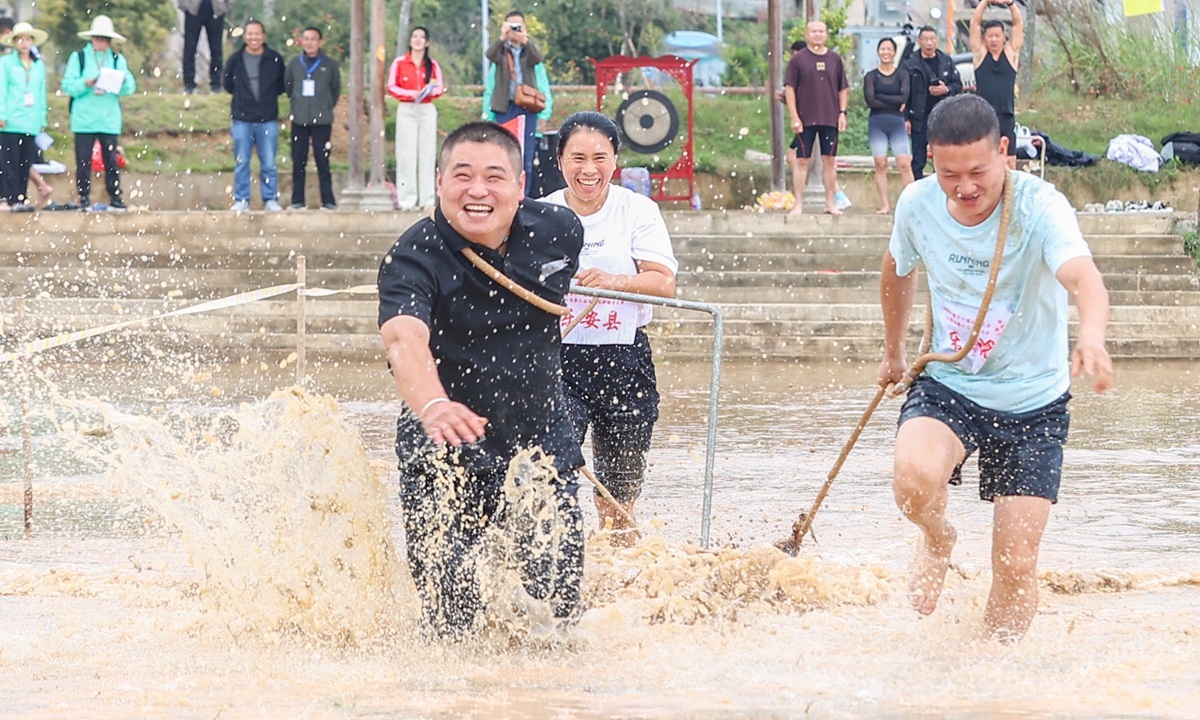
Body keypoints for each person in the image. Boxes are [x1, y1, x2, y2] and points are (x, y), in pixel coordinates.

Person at [878, 94, 1112, 643]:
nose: (965, 187)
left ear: (1004, 152)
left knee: (1013, 563)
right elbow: (896, 269)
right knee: (913, 481)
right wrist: (893, 351)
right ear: (930, 157)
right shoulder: (916, 204)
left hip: (1034, 401)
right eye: (949, 173)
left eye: (979, 171)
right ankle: (937, 537)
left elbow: (1084, 277)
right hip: (950, 384)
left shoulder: (1041, 206)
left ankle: (990, 673)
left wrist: (1093, 335)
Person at [377, 121, 585, 639]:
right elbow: (404, 338)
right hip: (444, 445)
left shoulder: (560, 230)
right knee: (450, 618)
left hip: (540, 442)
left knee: (555, 609)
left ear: (519, 186)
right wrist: (432, 405)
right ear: (440, 180)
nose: (477, 190)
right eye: (462, 175)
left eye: (494, 177)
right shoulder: (413, 255)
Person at [540, 112, 678, 544]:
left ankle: (618, 569)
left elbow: (663, 281)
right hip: (557, 359)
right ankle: (558, 573)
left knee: (616, 495)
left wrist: (616, 282)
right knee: (549, 480)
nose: (588, 169)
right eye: (577, 157)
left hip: (624, 358)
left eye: (599, 157)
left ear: (615, 160)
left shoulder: (637, 209)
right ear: (560, 160)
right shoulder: (540, 213)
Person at [61, 15, 136, 212]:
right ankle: (83, 196)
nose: (101, 43)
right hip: (84, 118)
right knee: (83, 160)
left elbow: (129, 87)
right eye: (97, 38)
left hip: (108, 118)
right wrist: (86, 83)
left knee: (111, 160)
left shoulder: (118, 59)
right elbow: (68, 85)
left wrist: (119, 82)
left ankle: (115, 195)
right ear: (91, 39)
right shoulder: (79, 57)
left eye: (104, 39)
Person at [481, 11, 553, 194]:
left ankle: (523, 198)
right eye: (511, 26)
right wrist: (502, 37)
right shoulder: (501, 52)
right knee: (502, 154)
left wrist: (525, 39)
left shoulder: (528, 52)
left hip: (528, 108)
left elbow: (539, 57)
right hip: (505, 108)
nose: (514, 30)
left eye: (518, 26)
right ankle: (503, 194)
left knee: (526, 157)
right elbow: (489, 55)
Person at [783, 21, 849, 216]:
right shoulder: (798, 60)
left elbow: (842, 89)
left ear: (826, 34)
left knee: (829, 159)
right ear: (807, 34)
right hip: (805, 118)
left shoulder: (834, 59)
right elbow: (790, 89)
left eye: (821, 31)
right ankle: (798, 204)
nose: (818, 35)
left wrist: (842, 113)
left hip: (830, 117)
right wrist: (794, 116)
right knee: (802, 160)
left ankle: (830, 203)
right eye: (814, 31)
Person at [223, 20, 285, 212]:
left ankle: (270, 199)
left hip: (267, 118)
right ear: (245, 36)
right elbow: (227, 84)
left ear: (263, 36)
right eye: (250, 34)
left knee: (268, 162)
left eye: (257, 34)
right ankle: (242, 200)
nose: (253, 38)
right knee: (242, 161)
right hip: (242, 118)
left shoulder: (274, 58)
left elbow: (281, 86)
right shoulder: (235, 59)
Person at [387, 26, 445, 211]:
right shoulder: (400, 63)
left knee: (427, 154)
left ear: (427, 42)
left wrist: (426, 92)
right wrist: (410, 94)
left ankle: (427, 199)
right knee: (406, 153)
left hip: (426, 107)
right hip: (407, 108)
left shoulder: (432, 65)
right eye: (415, 36)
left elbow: (439, 87)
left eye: (422, 37)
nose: (418, 40)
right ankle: (407, 200)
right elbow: (391, 86)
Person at [284, 26, 340, 211]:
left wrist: (323, 108)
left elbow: (335, 90)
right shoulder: (294, 63)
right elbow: (289, 88)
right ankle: (297, 200)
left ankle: (328, 200)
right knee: (298, 160)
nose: (309, 42)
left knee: (322, 161)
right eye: (306, 39)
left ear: (320, 42)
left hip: (322, 121)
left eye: (313, 39)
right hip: (299, 120)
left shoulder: (330, 65)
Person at [0, 17, 52, 209]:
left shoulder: (38, 66)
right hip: (11, 120)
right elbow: (2, 90)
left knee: (25, 163)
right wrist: (1, 115)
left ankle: (20, 198)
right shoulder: (6, 63)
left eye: (27, 39)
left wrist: (42, 118)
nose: (24, 43)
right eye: (20, 39)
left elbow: (40, 93)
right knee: (9, 162)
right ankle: (8, 198)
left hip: (30, 121)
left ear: (32, 41)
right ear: (14, 42)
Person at [902, 26, 962, 181]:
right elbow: (904, 93)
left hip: (943, 117)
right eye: (925, 39)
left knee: (943, 156)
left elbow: (958, 86)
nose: (929, 43)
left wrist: (946, 89)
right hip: (919, 117)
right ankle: (918, 192)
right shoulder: (910, 64)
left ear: (937, 41)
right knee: (918, 159)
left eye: (932, 39)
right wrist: (905, 118)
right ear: (919, 41)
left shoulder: (946, 61)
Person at [971, 0, 1024, 171]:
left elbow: (1018, 24)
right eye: (990, 36)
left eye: (997, 36)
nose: (994, 39)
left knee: (1009, 162)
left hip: (1006, 116)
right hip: (983, 116)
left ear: (1003, 37)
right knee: (985, 161)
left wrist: (1010, 3)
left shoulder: (1010, 54)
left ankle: (1010, 197)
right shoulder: (980, 54)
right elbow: (974, 23)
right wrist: (985, 2)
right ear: (984, 38)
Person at [864, 38, 913, 214]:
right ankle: (884, 204)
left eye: (889, 49)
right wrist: (893, 101)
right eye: (883, 49)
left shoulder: (902, 75)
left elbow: (904, 98)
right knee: (880, 164)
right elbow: (870, 101)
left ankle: (910, 204)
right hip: (877, 123)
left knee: (905, 164)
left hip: (897, 122)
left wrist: (881, 96)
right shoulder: (871, 76)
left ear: (894, 52)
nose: (886, 52)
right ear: (878, 51)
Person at [178, 0, 230, 94]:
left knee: (216, 49)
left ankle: (216, 84)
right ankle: (188, 84)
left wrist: (225, 7)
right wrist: (184, 5)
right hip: (193, 10)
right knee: (189, 49)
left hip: (216, 11)